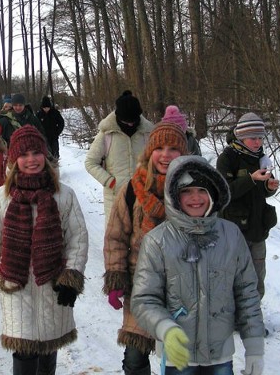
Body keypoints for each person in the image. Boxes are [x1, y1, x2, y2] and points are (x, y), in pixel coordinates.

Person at [131, 155, 265, 375]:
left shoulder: (230, 234)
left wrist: (254, 347)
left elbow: (247, 292)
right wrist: (165, 329)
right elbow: (144, 299)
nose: (195, 198)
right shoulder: (157, 241)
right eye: (186, 191)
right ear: (174, 195)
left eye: (202, 190)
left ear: (213, 193)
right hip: (179, 355)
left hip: (220, 354)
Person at [0, 125, 89, 375]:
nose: (31, 160)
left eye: (36, 153)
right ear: (14, 161)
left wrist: (71, 277)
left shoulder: (63, 196)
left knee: (49, 345)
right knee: (24, 351)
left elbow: (77, 238)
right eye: (23, 155)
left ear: (45, 156)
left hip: (53, 287)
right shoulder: (2, 197)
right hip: (17, 288)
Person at [103, 122, 188, 375]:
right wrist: (116, 276)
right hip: (141, 286)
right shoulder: (132, 189)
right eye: (159, 147)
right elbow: (116, 237)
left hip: (182, 287)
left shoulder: (194, 190)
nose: (165, 154)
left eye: (173, 149)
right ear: (149, 151)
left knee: (179, 358)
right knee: (134, 357)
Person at [216, 112, 279, 300]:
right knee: (236, 275)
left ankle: (253, 316)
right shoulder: (227, 158)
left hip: (258, 227)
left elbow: (263, 190)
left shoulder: (261, 157)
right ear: (242, 136)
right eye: (253, 138)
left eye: (260, 137)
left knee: (258, 275)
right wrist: (251, 179)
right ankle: (234, 316)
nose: (258, 142)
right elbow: (224, 192)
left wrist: (269, 187)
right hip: (234, 229)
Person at [85, 90, 154, 227]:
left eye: (133, 121)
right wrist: (110, 182)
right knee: (115, 239)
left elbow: (155, 161)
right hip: (115, 196)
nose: (130, 124)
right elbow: (90, 163)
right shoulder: (106, 135)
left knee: (143, 239)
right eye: (126, 121)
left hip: (144, 196)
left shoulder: (147, 134)